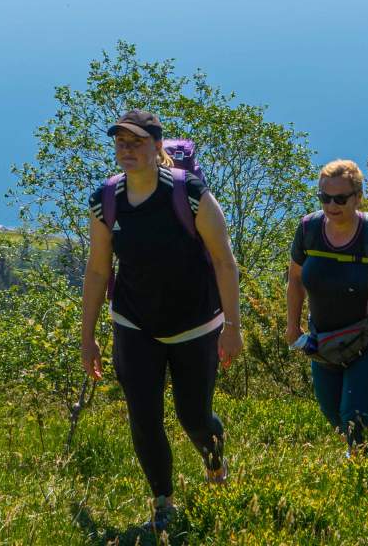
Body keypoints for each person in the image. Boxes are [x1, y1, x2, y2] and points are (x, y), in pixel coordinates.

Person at [81, 109, 243, 533]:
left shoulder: (188, 193)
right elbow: (98, 270)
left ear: (157, 147)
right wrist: (88, 338)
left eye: (136, 142)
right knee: (144, 418)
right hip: (134, 325)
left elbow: (225, 263)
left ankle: (213, 460)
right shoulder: (106, 200)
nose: (127, 150)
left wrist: (232, 327)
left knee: (194, 417)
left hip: (196, 325)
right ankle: (163, 501)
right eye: (120, 142)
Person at [286, 158, 368, 451]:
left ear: (358, 197)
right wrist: (292, 325)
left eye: (340, 198)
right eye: (325, 197)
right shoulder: (308, 230)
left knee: (356, 417)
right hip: (323, 341)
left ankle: (362, 476)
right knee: (333, 414)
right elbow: (295, 280)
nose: (332, 205)